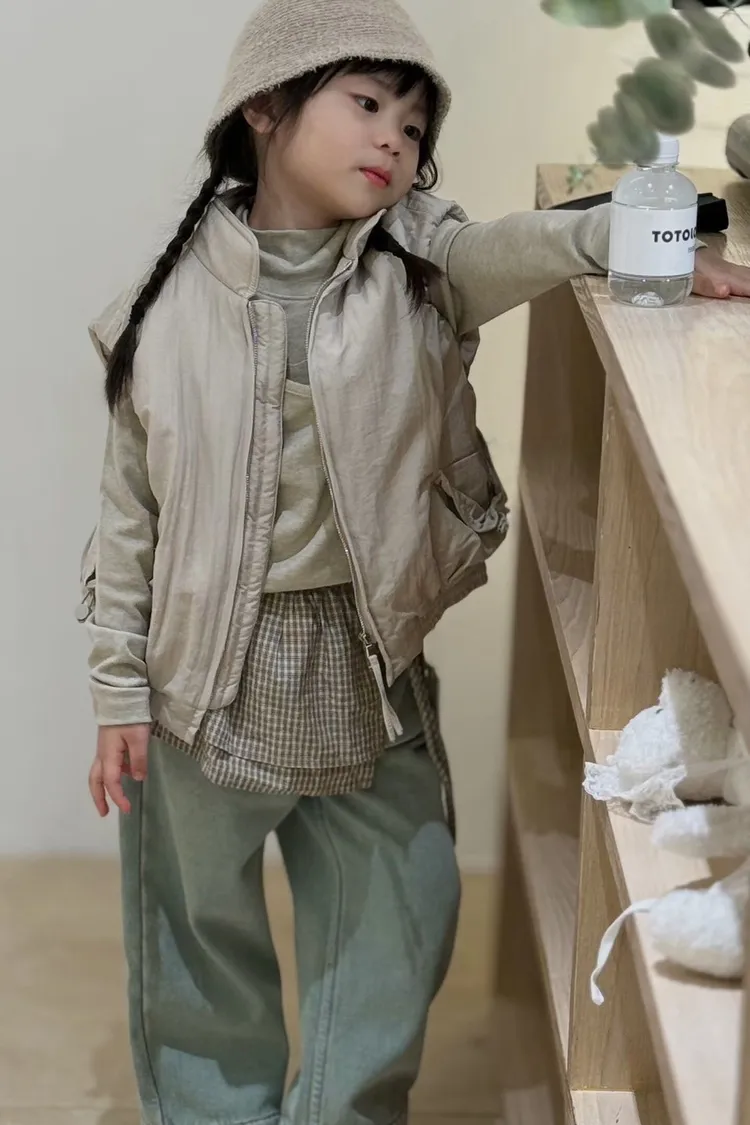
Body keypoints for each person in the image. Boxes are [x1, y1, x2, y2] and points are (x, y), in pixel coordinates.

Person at [77, 1, 750, 1122]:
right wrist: (117, 690)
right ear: (264, 106)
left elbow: (512, 247)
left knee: (398, 907)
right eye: (366, 104)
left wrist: (646, 241)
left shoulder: (419, 266)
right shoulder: (166, 302)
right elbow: (127, 516)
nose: (393, 137)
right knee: (196, 935)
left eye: (414, 124)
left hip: (362, 658)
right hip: (198, 675)